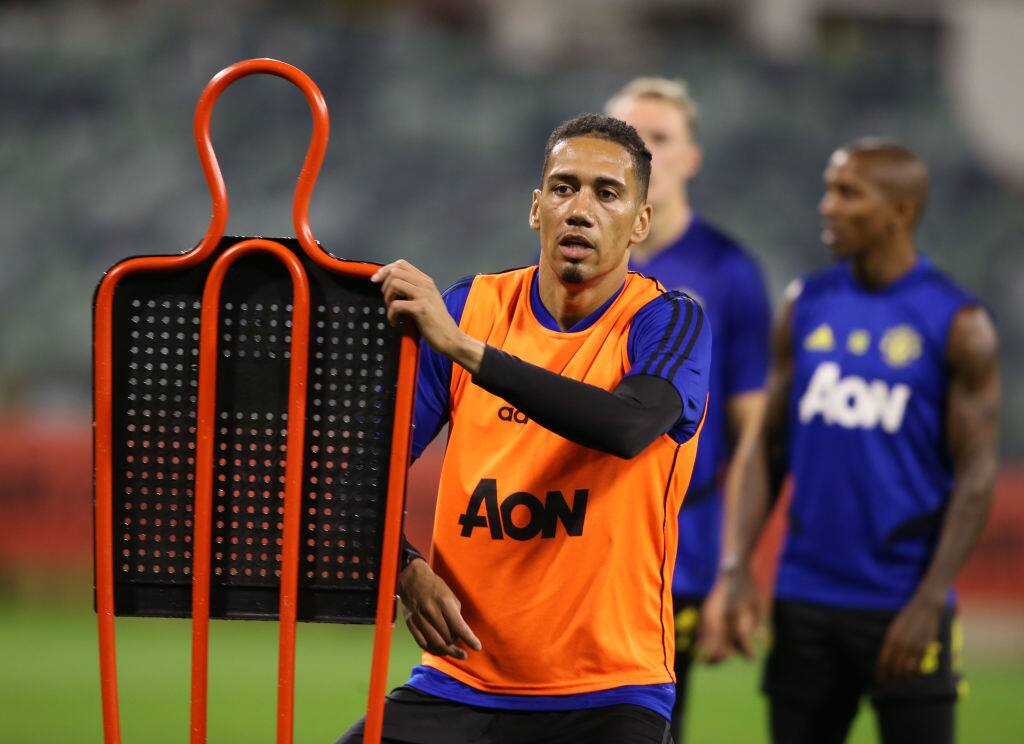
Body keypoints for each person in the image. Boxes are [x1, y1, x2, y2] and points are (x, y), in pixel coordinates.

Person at [335, 114, 712, 744]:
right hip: (462, 680)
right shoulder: (469, 308)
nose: (580, 209)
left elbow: (627, 425)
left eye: (607, 193)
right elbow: (354, 476)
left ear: (640, 222)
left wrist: (467, 351)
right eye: (564, 188)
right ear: (536, 209)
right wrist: (403, 569)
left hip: (612, 691)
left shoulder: (667, 323)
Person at [722, 139, 1001, 744]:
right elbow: (767, 449)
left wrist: (930, 599)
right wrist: (739, 565)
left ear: (900, 210)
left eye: (849, 193)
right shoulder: (805, 306)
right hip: (804, 599)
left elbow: (977, 473)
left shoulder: (958, 323)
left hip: (904, 604)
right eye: (828, 189)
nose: (828, 206)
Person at [604, 77, 772, 740]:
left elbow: (752, 427)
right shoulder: (577, 260)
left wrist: (738, 564)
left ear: (692, 158)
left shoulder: (728, 270)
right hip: (579, 526)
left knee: (655, 721)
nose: (643, 151)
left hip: (680, 541)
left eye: (661, 137)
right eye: (627, 136)